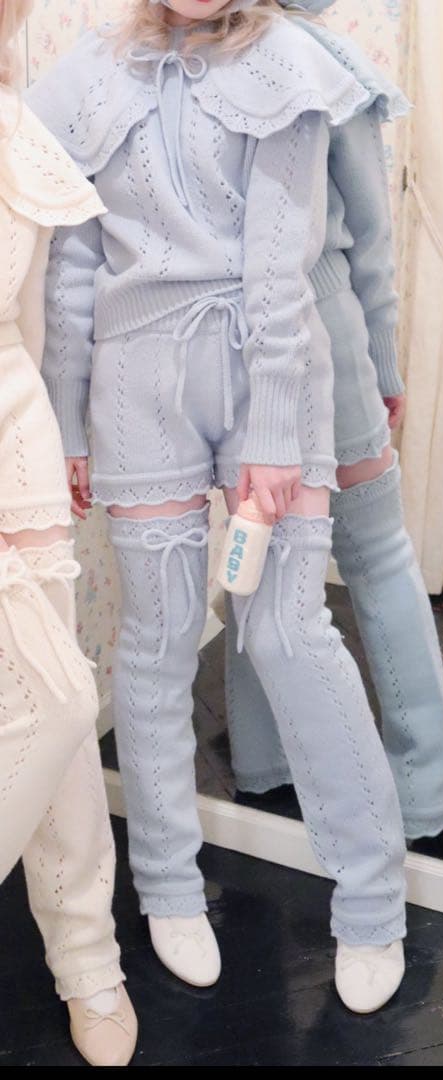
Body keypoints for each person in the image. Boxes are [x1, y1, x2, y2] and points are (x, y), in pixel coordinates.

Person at [28, 0, 408, 1013]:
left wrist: (275, 431)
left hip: (264, 369)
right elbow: (73, 263)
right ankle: (166, 885)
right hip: (138, 382)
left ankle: (373, 903)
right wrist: (66, 419)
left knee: (288, 632)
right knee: (155, 644)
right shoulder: (88, 73)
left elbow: (281, 261)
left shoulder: (285, 60)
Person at [223, 0, 443, 843]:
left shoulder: (193, 58)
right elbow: (368, 240)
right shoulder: (318, 59)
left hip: (225, 336)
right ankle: (424, 786)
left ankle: (263, 760)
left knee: (257, 545)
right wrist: (384, 364)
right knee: (367, 550)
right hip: (311, 326)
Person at [0, 1, 137, 1065]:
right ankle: (88, 957)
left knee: (55, 701)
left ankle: (88, 953)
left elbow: (31, 328)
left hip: (10, 432)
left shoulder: (19, 135)